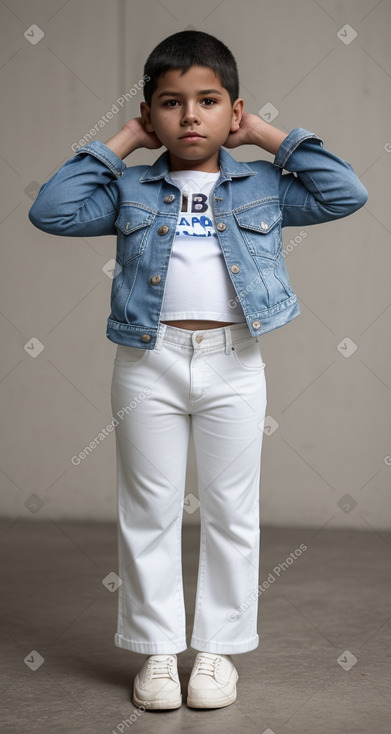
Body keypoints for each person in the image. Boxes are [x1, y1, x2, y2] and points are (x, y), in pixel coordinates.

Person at [28, 30, 368, 712]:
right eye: (169, 103)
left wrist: (266, 134)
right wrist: (121, 141)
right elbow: (52, 209)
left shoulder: (265, 185)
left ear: (231, 111)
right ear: (150, 114)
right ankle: (158, 653)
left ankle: (214, 653)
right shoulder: (130, 191)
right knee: (147, 512)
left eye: (207, 101)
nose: (189, 116)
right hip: (147, 363)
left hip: (234, 364)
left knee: (231, 513)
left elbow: (344, 191)